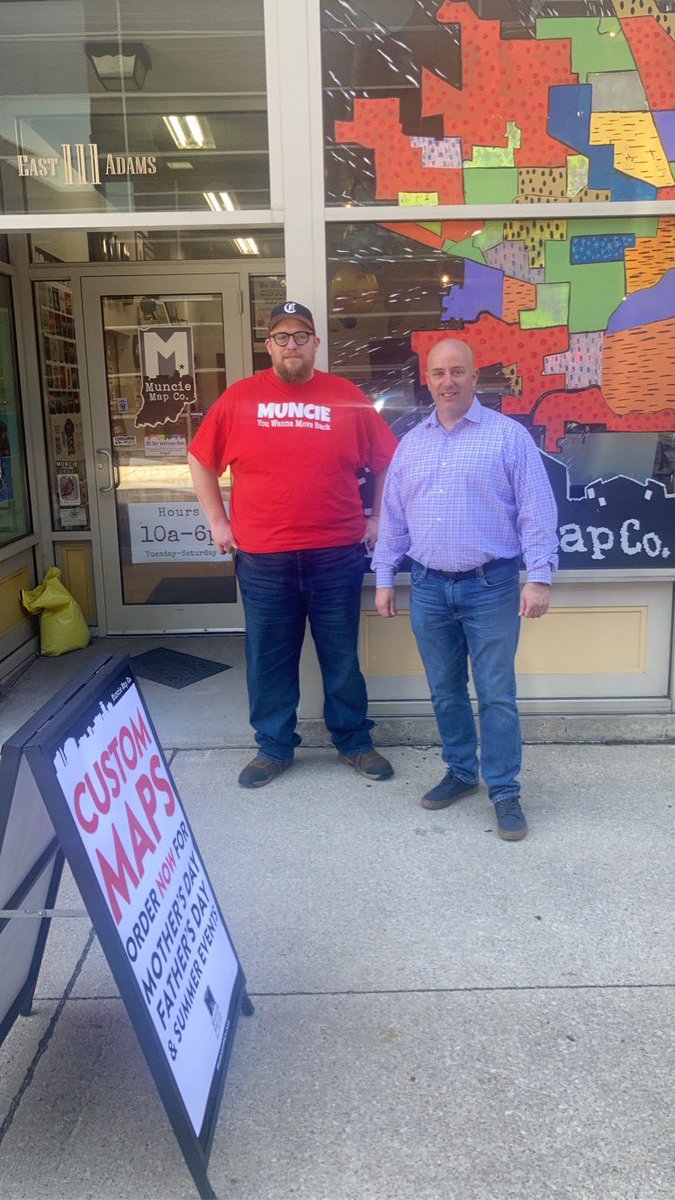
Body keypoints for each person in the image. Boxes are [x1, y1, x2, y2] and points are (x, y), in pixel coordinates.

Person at [188, 300, 398, 788]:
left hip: (335, 553)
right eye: (281, 337)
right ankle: (273, 748)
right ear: (269, 346)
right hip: (263, 557)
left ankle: (354, 741)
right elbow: (200, 458)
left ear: (315, 343)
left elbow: (389, 458)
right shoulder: (239, 399)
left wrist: (379, 516)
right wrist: (218, 522)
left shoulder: (346, 396)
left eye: (301, 336)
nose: (291, 345)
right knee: (268, 656)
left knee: (341, 654)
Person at [372, 338, 558, 840]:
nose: (448, 381)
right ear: (427, 380)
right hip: (429, 588)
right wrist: (385, 575)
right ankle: (460, 773)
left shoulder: (507, 437)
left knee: (497, 694)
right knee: (445, 692)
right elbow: (393, 518)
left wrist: (538, 577)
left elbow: (537, 511)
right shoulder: (412, 443)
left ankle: (503, 789)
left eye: (458, 371)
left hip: (490, 585)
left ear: (476, 377)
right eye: (438, 373)